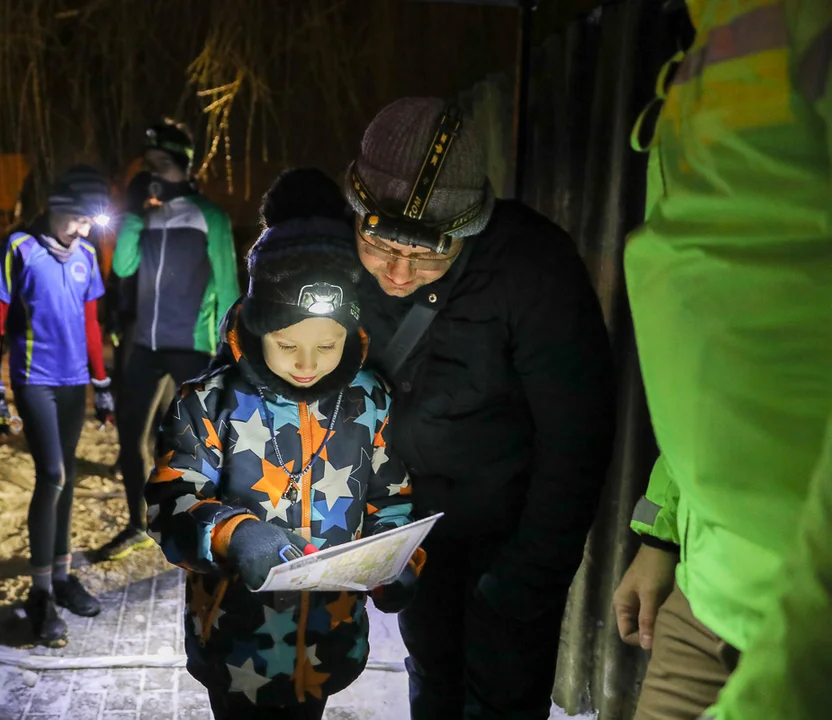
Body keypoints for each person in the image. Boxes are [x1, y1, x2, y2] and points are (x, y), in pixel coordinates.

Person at [342, 98, 617, 719]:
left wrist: (529, 577)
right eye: (382, 245)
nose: (399, 273)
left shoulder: (534, 266)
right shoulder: (336, 257)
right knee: (432, 683)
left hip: (509, 537)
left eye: (429, 256)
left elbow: (578, 434)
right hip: (412, 533)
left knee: (504, 701)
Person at [612, 2, 832, 718]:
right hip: (706, 594)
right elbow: (718, 345)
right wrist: (663, 533)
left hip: (801, 627)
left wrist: (794, 669)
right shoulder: (713, 39)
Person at [145, 168, 423, 720]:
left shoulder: (368, 400)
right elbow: (169, 503)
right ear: (255, 323)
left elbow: (392, 498)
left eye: (327, 344)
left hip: (326, 640)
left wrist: (401, 559)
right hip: (235, 638)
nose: (306, 363)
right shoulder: (210, 400)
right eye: (286, 343)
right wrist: (234, 535)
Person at [0, 165, 115, 646]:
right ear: (58, 209)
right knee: (52, 474)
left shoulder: (85, 256)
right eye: (77, 220)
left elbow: (92, 324)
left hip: (74, 382)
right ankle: (40, 593)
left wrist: (101, 384)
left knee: (69, 476)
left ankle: (60, 576)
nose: (82, 231)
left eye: (88, 224)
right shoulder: (20, 249)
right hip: (34, 378)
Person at [97, 119, 239, 561]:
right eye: (148, 165)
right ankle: (138, 525)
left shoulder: (208, 215)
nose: (152, 171)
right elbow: (122, 268)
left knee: (203, 441)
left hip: (191, 344)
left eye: (161, 163)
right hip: (145, 344)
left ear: (182, 165)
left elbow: (230, 285)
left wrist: (230, 349)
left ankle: (217, 523)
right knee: (130, 438)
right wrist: (135, 215)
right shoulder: (147, 214)